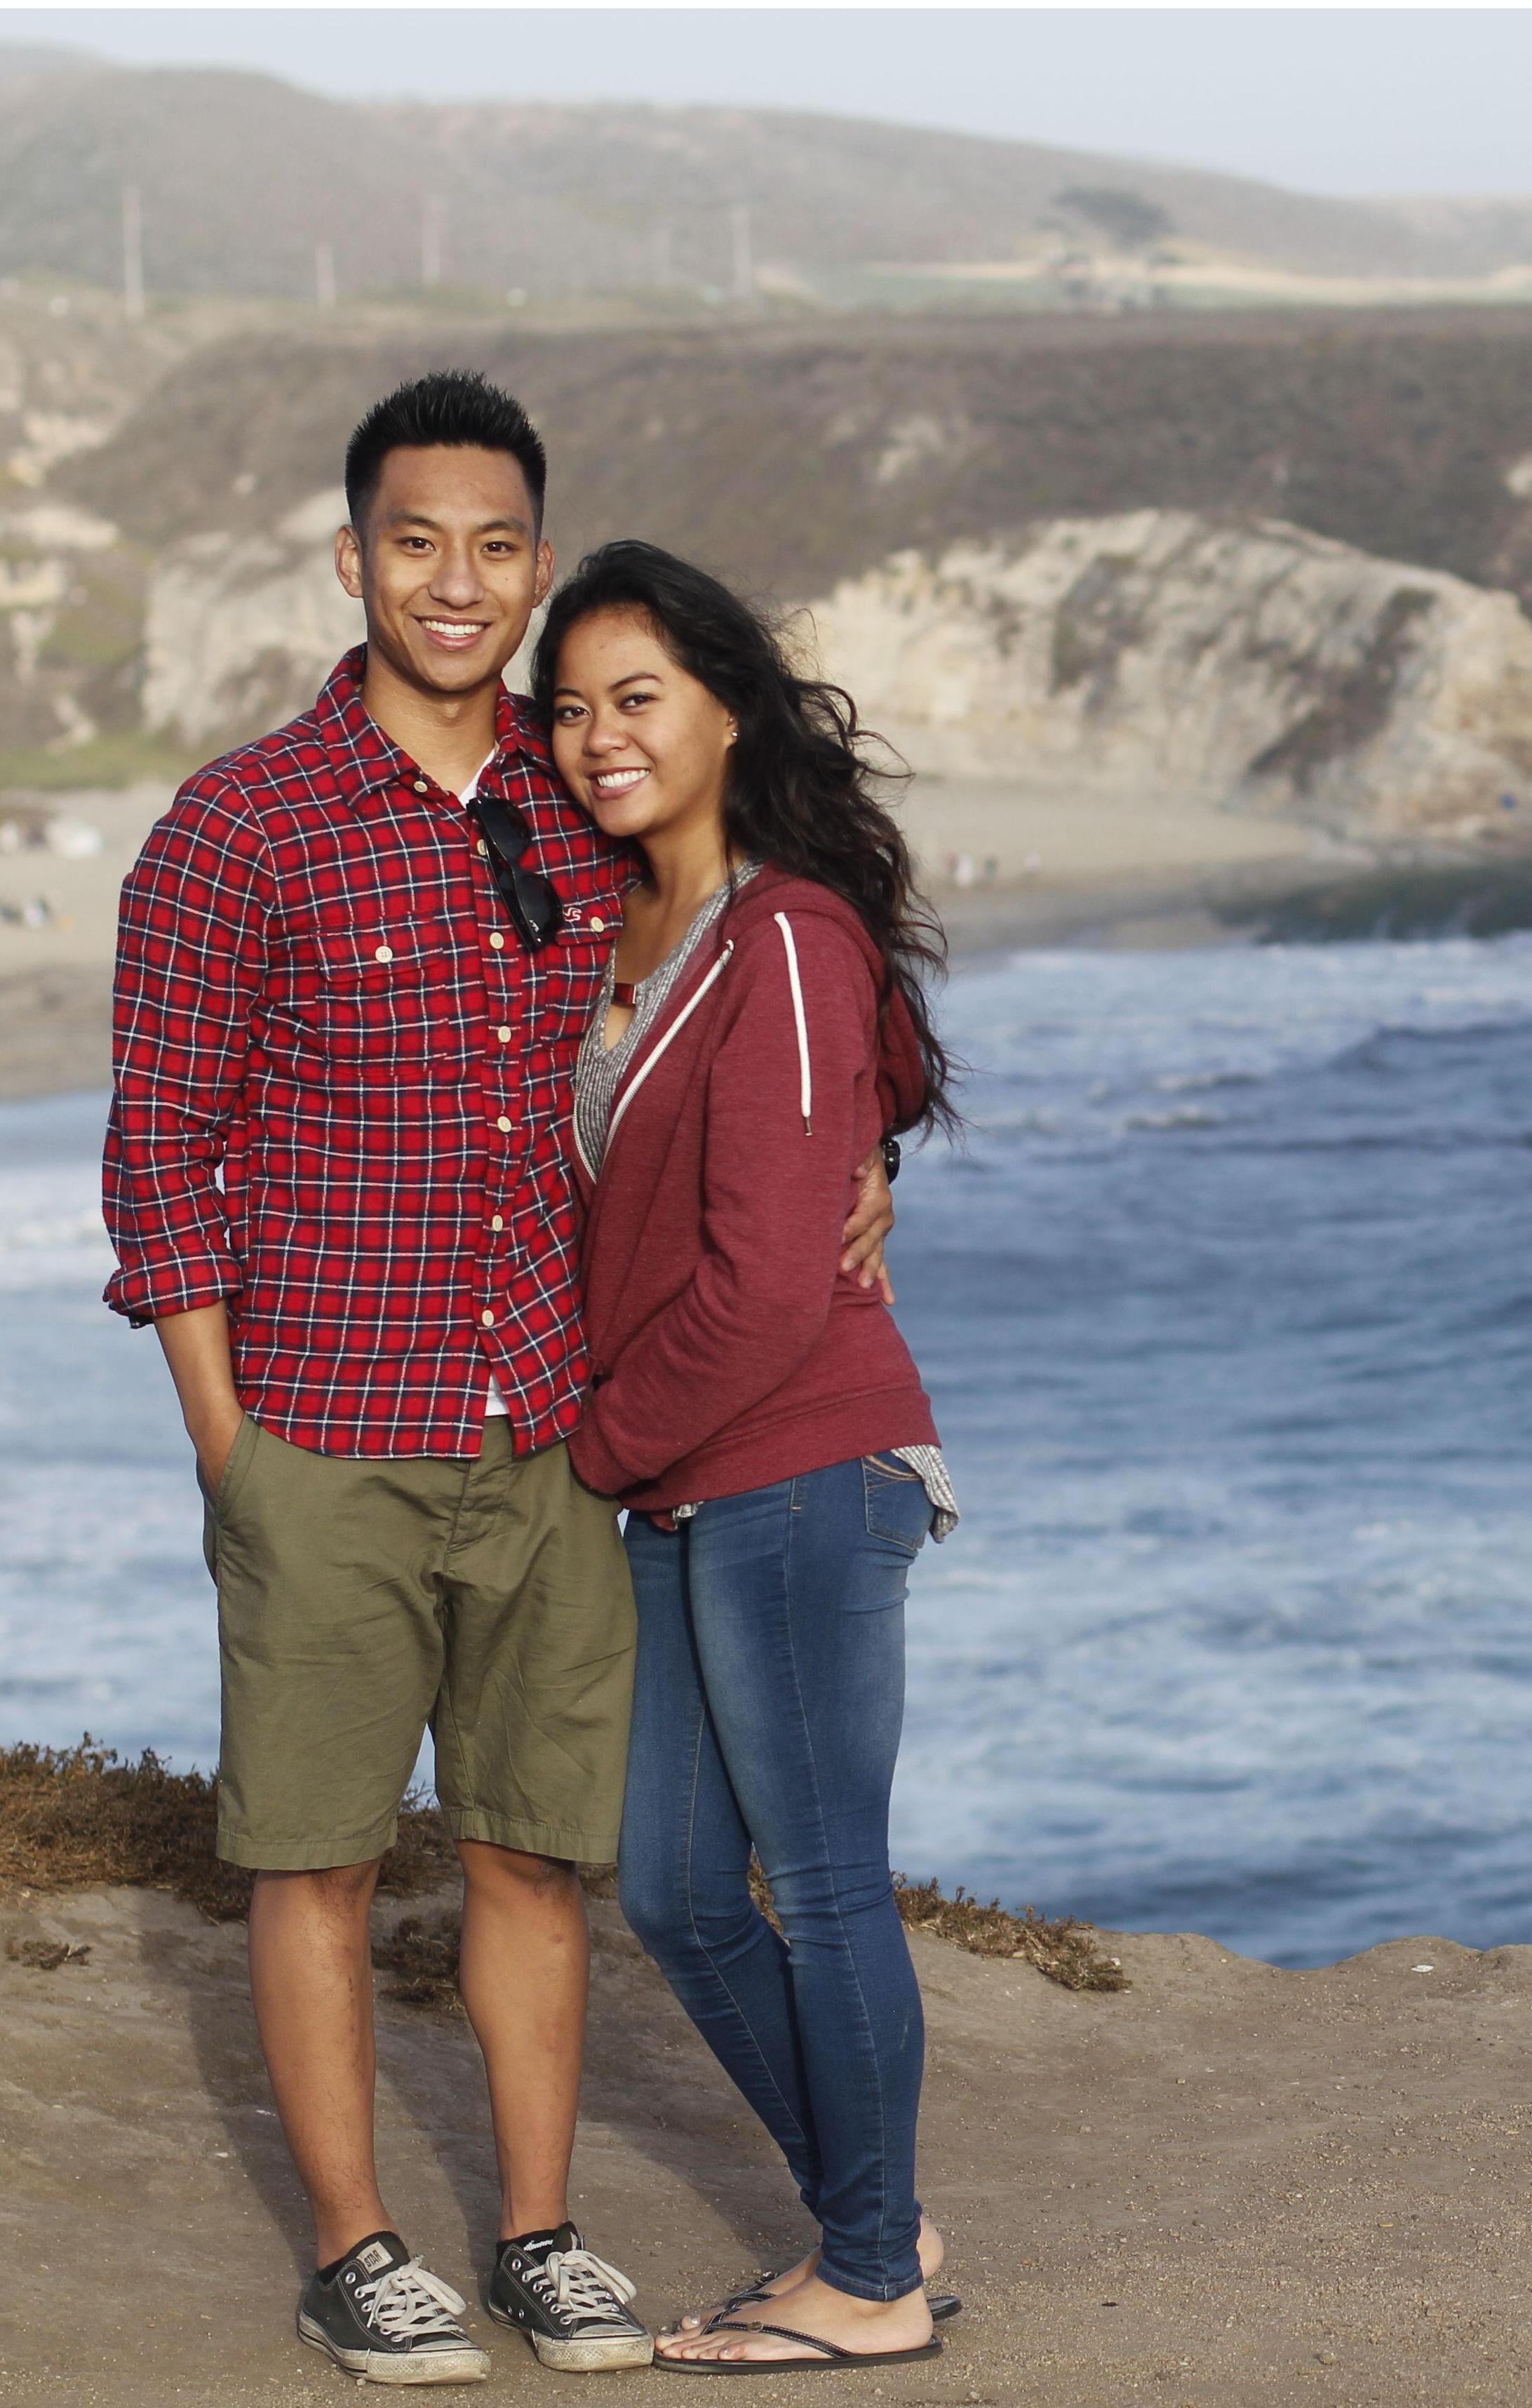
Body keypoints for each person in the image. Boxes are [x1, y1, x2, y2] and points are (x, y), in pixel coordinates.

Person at [102, 372, 897, 2386]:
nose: (454, 582)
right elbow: (154, 1158)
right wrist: (234, 1454)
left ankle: (539, 2234)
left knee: (540, 1848)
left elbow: (759, 973)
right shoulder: (236, 823)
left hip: (551, 1427)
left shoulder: (578, 808)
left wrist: (870, 1150)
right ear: (352, 557)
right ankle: (358, 2245)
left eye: (494, 546)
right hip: (322, 1429)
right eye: (413, 540)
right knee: (315, 1850)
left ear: (534, 565)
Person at [535, 540, 957, 2372]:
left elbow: (777, 1277)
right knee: (683, 1892)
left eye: (635, 697)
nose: (594, 736)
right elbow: (834, 1125)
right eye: (567, 708)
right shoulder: (608, 923)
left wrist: (592, 1447)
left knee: (822, 1877)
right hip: (675, 1484)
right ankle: (880, 2221)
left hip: (792, 1466)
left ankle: (864, 2275)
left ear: (725, 707)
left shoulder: (782, 929)